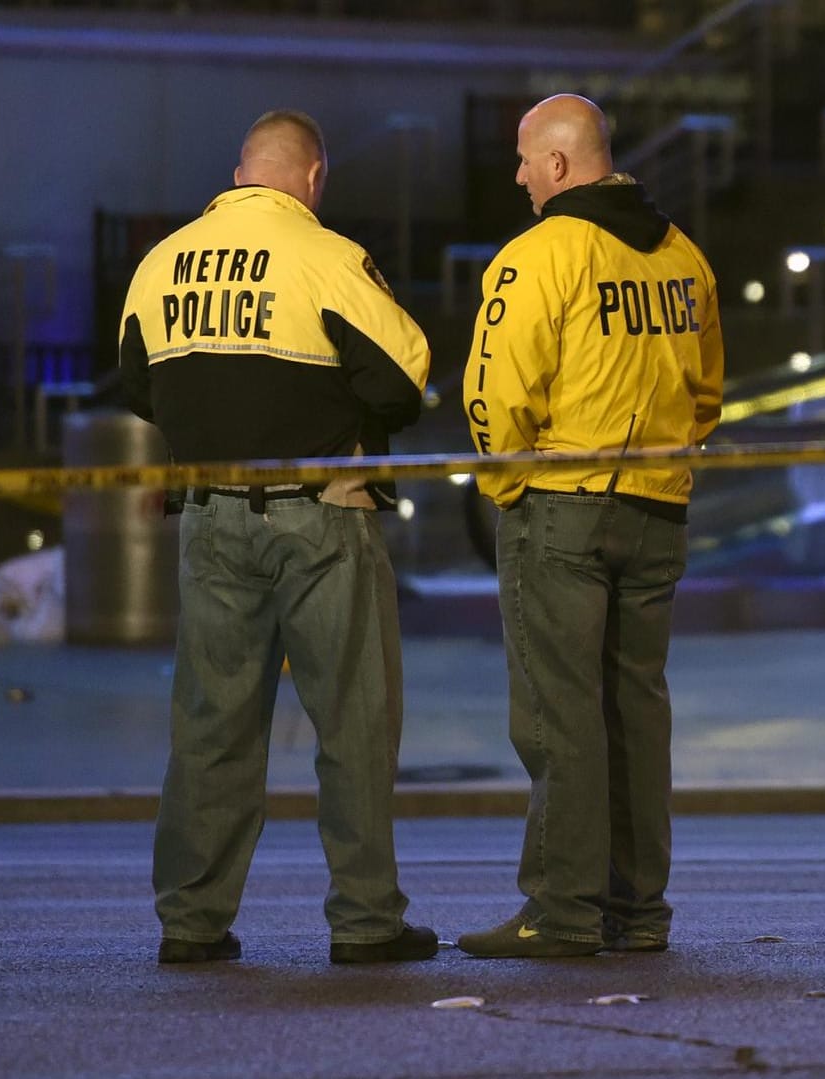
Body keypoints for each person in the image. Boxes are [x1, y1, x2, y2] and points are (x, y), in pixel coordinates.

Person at [117, 109, 437, 965]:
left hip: (210, 518)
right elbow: (405, 380)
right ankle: (367, 923)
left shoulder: (161, 262)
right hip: (321, 513)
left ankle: (192, 920)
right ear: (313, 177)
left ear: (238, 172)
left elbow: (139, 384)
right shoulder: (327, 257)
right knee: (353, 722)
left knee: (211, 727)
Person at [459, 94, 723, 958]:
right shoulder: (683, 256)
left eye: (529, 160)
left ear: (562, 166)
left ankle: (562, 910)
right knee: (636, 714)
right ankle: (638, 910)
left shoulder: (540, 254)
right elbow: (708, 393)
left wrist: (509, 489)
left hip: (563, 507)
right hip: (660, 506)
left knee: (558, 715)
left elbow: (497, 394)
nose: (520, 175)